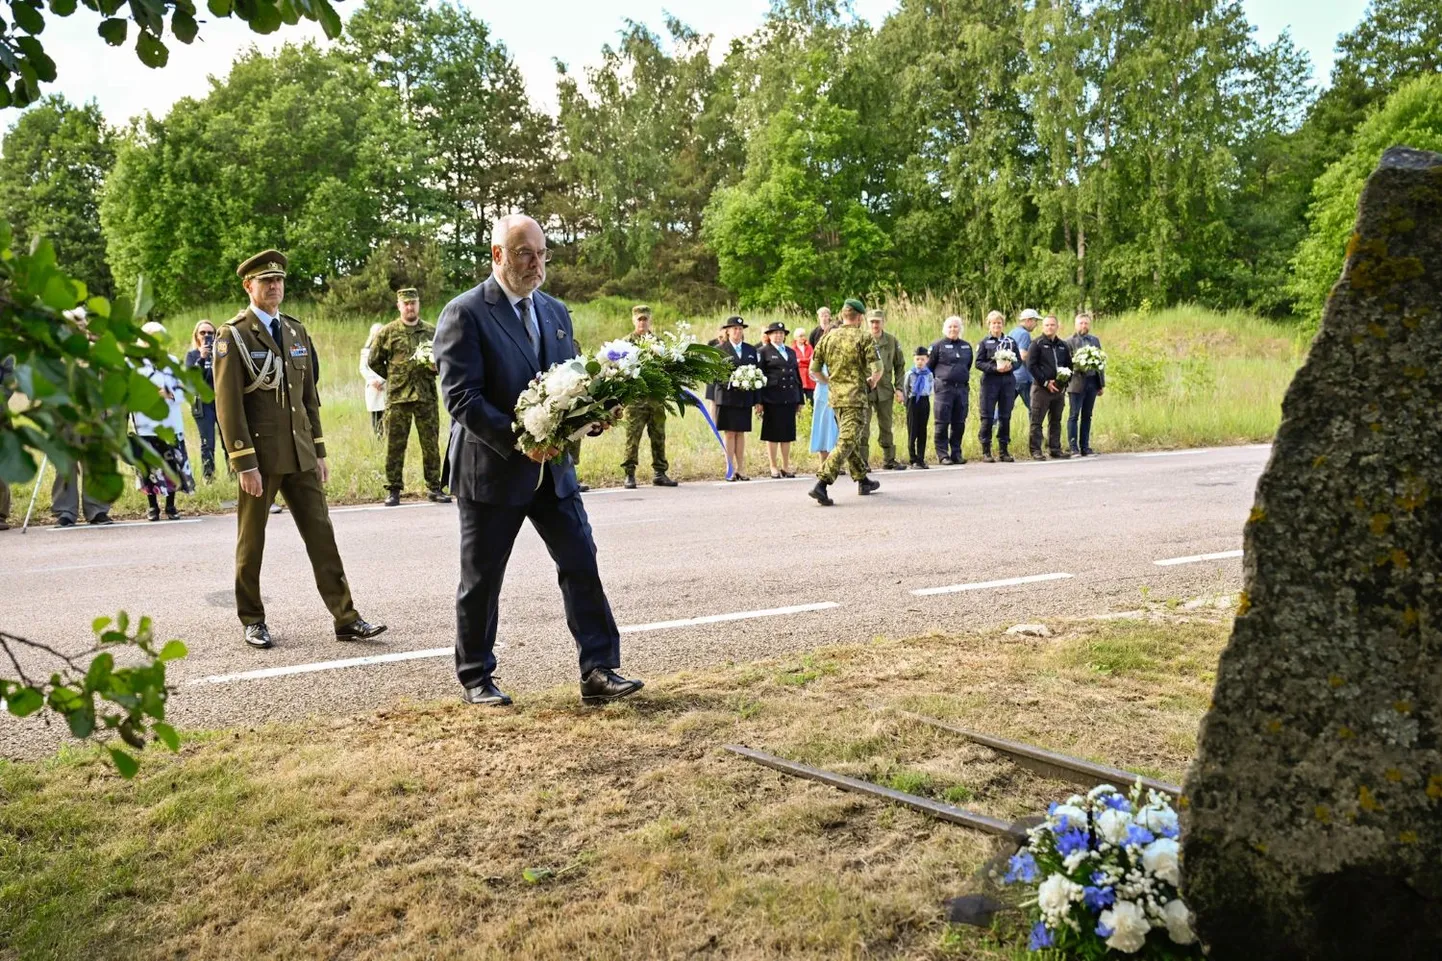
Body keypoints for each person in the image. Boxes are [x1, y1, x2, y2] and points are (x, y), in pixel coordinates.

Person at [433, 213, 643, 707]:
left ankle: (598, 669)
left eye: (543, 253)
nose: (537, 263)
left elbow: (564, 385)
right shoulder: (464, 313)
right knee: (482, 578)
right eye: (525, 253)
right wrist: (520, 439)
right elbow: (462, 398)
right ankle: (476, 676)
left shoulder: (555, 311)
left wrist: (592, 415)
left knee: (581, 561)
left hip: (554, 470)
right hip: (492, 468)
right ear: (497, 255)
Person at [213, 249, 387, 650]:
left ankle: (346, 617)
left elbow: (309, 398)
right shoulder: (234, 335)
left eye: (279, 280)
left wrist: (320, 451)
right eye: (265, 281)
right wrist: (243, 463)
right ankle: (253, 618)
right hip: (261, 458)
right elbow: (229, 406)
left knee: (322, 536)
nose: (274, 287)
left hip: (301, 454)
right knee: (251, 540)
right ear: (248, 286)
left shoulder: (295, 331)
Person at [367, 288, 450, 507]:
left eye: (413, 303)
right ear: (399, 306)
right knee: (395, 445)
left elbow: (444, 360)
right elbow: (374, 360)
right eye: (406, 304)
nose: (410, 307)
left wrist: (435, 368)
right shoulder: (388, 332)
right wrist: (394, 376)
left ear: (418, 304)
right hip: (398, 398)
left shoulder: (432, 332)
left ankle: (434, 487)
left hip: (425, 396)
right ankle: (393, 489)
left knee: (430, 444)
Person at [807, 298, 882, 506]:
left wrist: (829, 381)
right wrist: (872, 381)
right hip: (855, 398)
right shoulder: (864, 337)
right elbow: (878, 368)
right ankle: (821, 484)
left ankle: (863, 480)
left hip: (836, 399)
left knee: (850, 439)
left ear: (842, 315)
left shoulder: (827, 338)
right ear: (859, 317)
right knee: (847, 441)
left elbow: (813, 370)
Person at [133, 322, 196, 520]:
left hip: (170, 423)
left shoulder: (172, 362)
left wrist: (168, 393)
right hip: (146, 424)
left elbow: (185, 390)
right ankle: (152, 507)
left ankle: (171, 505)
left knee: (172, 465)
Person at [620, 304, 677, 489]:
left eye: (645, 319)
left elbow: (667, 368)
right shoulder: (626, 342)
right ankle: (629, 474)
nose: (642, 323)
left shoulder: (658, 342)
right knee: (632, 438)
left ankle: (660, 473)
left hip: (656, 399)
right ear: (633, 320)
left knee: (659, 436)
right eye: (639, 319)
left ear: (650, 320)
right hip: (635, 400)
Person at [860, 308, 907, 471]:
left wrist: (899, 388)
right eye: (872, 321)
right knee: (863, 427)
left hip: (886, 389)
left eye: (877, 321)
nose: (875, 325)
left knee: (886, 425)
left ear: (883, 322)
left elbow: (900, 365)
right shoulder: (862, 340)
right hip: (866, 389)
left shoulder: (891, 341)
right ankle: (863, 461)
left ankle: (889, 459)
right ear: (867, 322)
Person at [756, 321, 804, 478]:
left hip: (789, 397)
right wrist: (759, 401)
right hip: (772, 397)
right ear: (769, 335)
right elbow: (759, 377)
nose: (779, 335)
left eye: (781, 333)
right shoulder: (763, 352)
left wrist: (800, 399)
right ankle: (773, 466)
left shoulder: (790, 352)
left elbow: (797, 376)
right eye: (775, 333)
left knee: (787, 433)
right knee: (772, 433)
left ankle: (785, 465)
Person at [715, 315, 759, 482]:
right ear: (727, 331)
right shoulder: (720, 349)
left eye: (740, 329)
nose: (738, 331)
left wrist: (756, 399)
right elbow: (716, 374)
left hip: (744, 397)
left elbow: (757, 373)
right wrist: (733, 381)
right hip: (727, 397)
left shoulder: (750, 350)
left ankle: (741, 468)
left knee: (741, 433)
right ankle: (730, 468)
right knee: (730, 433)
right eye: (734, 329)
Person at [1025, 313, 1074, 460]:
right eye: (1046, 325)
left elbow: (1069, 366)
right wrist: (1046, 382)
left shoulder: (1063, 345)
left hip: (1058, 390)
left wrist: (1063, 382)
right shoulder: (1036, 344)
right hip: (1041, 389)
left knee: (1055, 420)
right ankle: (1035, 450)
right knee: (1037, 420)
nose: (1049, 327)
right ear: (1042, 326)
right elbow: (1031, 366)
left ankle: (1055, 448)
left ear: (1057, 326)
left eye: (1052, 325)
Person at [975, 310, 1022, 463]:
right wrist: (995, 368)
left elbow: (1019, 361)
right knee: (987, 417)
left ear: (1003, 324)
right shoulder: (984, 342)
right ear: (989, 325)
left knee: (1005, 416)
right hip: (990, 383)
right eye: (994, 323)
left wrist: (1011, 367)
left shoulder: (1010, 341)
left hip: (1007, 382)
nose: (997, 325)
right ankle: (986, 451)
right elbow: (978, 362)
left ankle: (1004, 450)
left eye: (999, 323)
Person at [927, 315, 974, 465]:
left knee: (959, 423)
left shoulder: (966, 346)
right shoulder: (937, 346)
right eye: (950, 327)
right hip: (944, 389)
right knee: (942, 422)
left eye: (956, 327)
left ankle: (956, 453)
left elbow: (968, 366)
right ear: (944, 329)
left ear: (960, 329)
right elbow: (929, 368)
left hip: (961, 390)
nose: (953, 329)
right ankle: (942, 455)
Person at [183, 319, 221, 480]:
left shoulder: (221, 353)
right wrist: (202, 358)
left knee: (229, 440)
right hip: (202, 403)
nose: (206, 335)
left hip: (221, 401)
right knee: (208, 442)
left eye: (210, 333)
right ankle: (209, 477)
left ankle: (234, 476)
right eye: (203, 333)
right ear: (196, 336)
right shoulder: (192, 356)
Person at [1066, 312, 1105, 456]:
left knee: (1087, 415)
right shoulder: (1068, 341)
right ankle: (1073, 446)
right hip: (1076, 383)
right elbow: (1066, 363)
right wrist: (1079, 365)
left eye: (1086, 323)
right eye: (1081, 323)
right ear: (1076, 325)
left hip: (1092, 382)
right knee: (1074, 415)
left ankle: (1085, 446)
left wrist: (1101, 384)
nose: (1084, 326)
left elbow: (1100, 363)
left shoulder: (1095, 340)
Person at [1009, 308, 1040, 434]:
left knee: (1005, 407)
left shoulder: (1012, 332)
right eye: (1035, 321)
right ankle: (1036, 436)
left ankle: (993, 429)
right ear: (1028, 320)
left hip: (1012, 376)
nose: (1036, 324)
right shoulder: (1024, 334)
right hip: (1024, 377)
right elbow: (1023, 355)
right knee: (1034, 408)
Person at [903, 346, 934, 468]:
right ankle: (913, 458)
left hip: (924, 400)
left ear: (927, 360)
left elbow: (931, 387)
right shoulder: (910, 374)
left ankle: (921, 458)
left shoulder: (929, 374)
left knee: (923, 430)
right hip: (912, 401)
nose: (920, 362)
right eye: (917, 359)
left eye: (922, 359)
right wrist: (907, 403)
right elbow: (906, 389)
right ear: (914, 360)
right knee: (912, 430)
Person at [359, 322, 387, 438]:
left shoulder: (387, 349)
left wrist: (381, 381)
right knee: (376, 415)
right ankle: (378, 437)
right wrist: (373, 381)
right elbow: (362, 368)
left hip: (385, 386)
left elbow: (389, 366)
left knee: (388, 413)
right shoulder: (365, 352)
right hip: (372, 388)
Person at [793, 326, 815, 404]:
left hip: (809, 377)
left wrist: (800, 361)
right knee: (799, 401)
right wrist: (805, 361)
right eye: (800, 336)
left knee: (811, 399)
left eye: (804, 335)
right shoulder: (792, 349)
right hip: (799, 377)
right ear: (796, 338)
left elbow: (812, 360)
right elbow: (794, 362)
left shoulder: (809, 347)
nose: (803, 337)